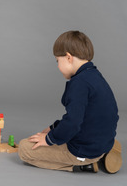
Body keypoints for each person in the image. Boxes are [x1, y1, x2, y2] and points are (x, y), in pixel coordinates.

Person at [18, 31, 122, 173]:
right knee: (63, 132)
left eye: (57, 61)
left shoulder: (78, 83)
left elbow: (73, 122)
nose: (57, 65)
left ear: (68, 57)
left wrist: (49, 139)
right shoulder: (94, 76)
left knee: (24, 149)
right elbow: (87, 115)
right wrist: (54, 127)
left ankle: (85, 164)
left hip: (83, 149)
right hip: (101, 139)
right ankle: (105, 149)